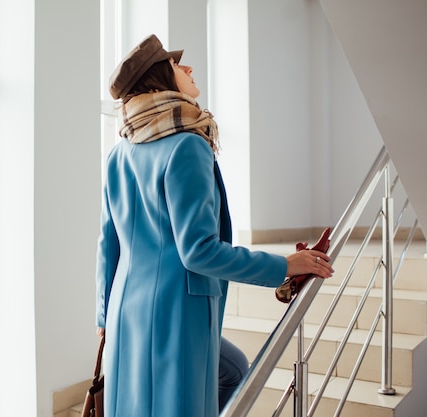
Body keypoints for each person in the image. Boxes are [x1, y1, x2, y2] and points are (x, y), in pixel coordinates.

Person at [95, 34, 333, 417]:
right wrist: (285, 266)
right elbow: (199, 250)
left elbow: (109, 244)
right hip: (176, 308)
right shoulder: (187, 145)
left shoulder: (119, 153)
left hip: (127, 305)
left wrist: (104, 315)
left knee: (217, 376)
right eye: (175, 65)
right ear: (160, 80)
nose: (188, 68)